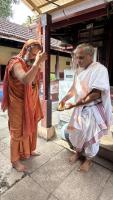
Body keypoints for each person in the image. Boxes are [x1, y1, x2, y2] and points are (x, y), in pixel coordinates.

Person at [58, 43, 112, 172]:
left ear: (90, 56)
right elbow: (74, 88)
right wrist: (65, 98)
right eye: (77, 57)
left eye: (81, 57)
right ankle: (78, 152)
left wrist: (75, 104)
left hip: (92, 109)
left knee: (90, 137)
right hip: (79, 108)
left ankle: (89, 159)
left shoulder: (100, 69)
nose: (78, 60)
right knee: (77, 133)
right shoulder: (79, 70)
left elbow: (96, 94)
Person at [1, 39, 47, 172]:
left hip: (30, 102)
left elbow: (34, 82)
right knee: (17, 132)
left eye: (36, 56)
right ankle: (15, 160)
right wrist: (38, 62)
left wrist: (36, 64)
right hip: (17, 105)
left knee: (31, 127)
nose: (34, 58)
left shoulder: (30, 63)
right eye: (33, 55)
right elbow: (26, 80)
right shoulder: (15, 63)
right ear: (26, 50)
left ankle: (29, 151)